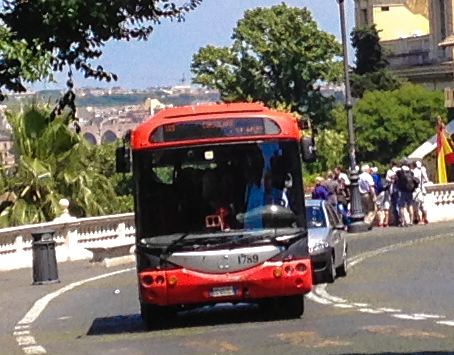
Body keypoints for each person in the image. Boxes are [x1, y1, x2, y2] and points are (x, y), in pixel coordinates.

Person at [395, 158, 417, 227]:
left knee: (401, 206)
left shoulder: (399, 172)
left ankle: (403, 222)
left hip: (402, 191)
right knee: (410, 206)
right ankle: (411, 221)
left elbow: (396, 179)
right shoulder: (411, 171)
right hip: (409, 191)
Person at [386, 160, 400, 226]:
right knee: (400, 205)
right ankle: (402, 219)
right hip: (400, 189)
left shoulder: (389, 171)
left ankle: (397, 220)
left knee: (395, 205)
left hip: (393, 190)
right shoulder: (400, 170)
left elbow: (388, 180)